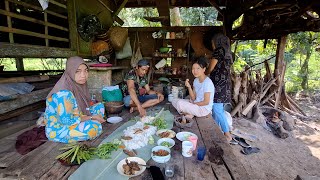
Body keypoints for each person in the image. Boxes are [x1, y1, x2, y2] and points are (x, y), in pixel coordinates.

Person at [44, 56, 105, 143]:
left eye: (86, 71)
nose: (83, 75)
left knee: (99, 106)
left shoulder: (78, 84)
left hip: (76, 116)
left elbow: (84, 104)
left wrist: (90, 117)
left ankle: (94, 120)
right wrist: (91, 117)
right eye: (78, 71)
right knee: (94, 128)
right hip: (59, 128)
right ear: (70, 72)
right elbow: (67, 121)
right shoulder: (63, 93)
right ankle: (95, 121)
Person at [206, 33, 234, 142]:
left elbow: (211, 68)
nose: (212, 44)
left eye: (213, 42)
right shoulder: (228, 52)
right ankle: (217, 131)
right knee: (217, 109)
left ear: (217, 42)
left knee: (217, 110)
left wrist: (205, 72)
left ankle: (227, 134)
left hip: (218, 85)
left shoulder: (219, 51)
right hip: (225, 84)